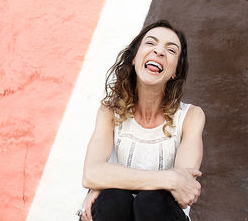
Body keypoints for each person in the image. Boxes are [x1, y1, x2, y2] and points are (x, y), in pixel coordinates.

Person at [79, 20, 205, 221]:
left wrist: (108, 180)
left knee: (150, 201)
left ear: (175, 72)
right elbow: (91, 174)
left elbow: (183, 192)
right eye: (150, 43)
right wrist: (169, 177)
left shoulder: (191, 117)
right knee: (113, 199)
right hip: (114, 212)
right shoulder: (109, 112)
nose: (159, 52)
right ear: (134, 58)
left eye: (171, 50)